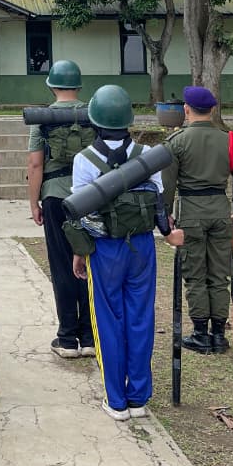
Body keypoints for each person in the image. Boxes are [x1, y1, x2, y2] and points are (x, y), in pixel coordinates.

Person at [67, 84, 184, 421]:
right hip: (142, 247)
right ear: (129, 120)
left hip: (104, 249)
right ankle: (139, 398)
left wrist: (80, 253)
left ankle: (116, 400)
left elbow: (82, 214)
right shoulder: (150, 155)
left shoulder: (84, 160)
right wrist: (168, 234)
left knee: (108, 320)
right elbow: (159, 204)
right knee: (141, 318)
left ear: (94, 121)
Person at [162, 85, 233, 355]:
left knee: (195, 275)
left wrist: (166, 214)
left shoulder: (176, 142)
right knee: (219, 274)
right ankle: (218, 335)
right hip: (220, 212)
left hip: (190, 211)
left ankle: (200, 333)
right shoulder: (229, 139)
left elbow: (168, 184)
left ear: (186, 110)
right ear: (212, 110)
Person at [26, 59, 97, 360]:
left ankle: (67, 337)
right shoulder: (95, 114)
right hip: (91, 196)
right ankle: (89, 335)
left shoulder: (44, 117)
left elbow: (35, 163)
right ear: (79, 86)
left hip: (55, 195)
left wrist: (34, 201)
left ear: (52, 86)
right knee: (89, 264)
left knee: (61, 264)